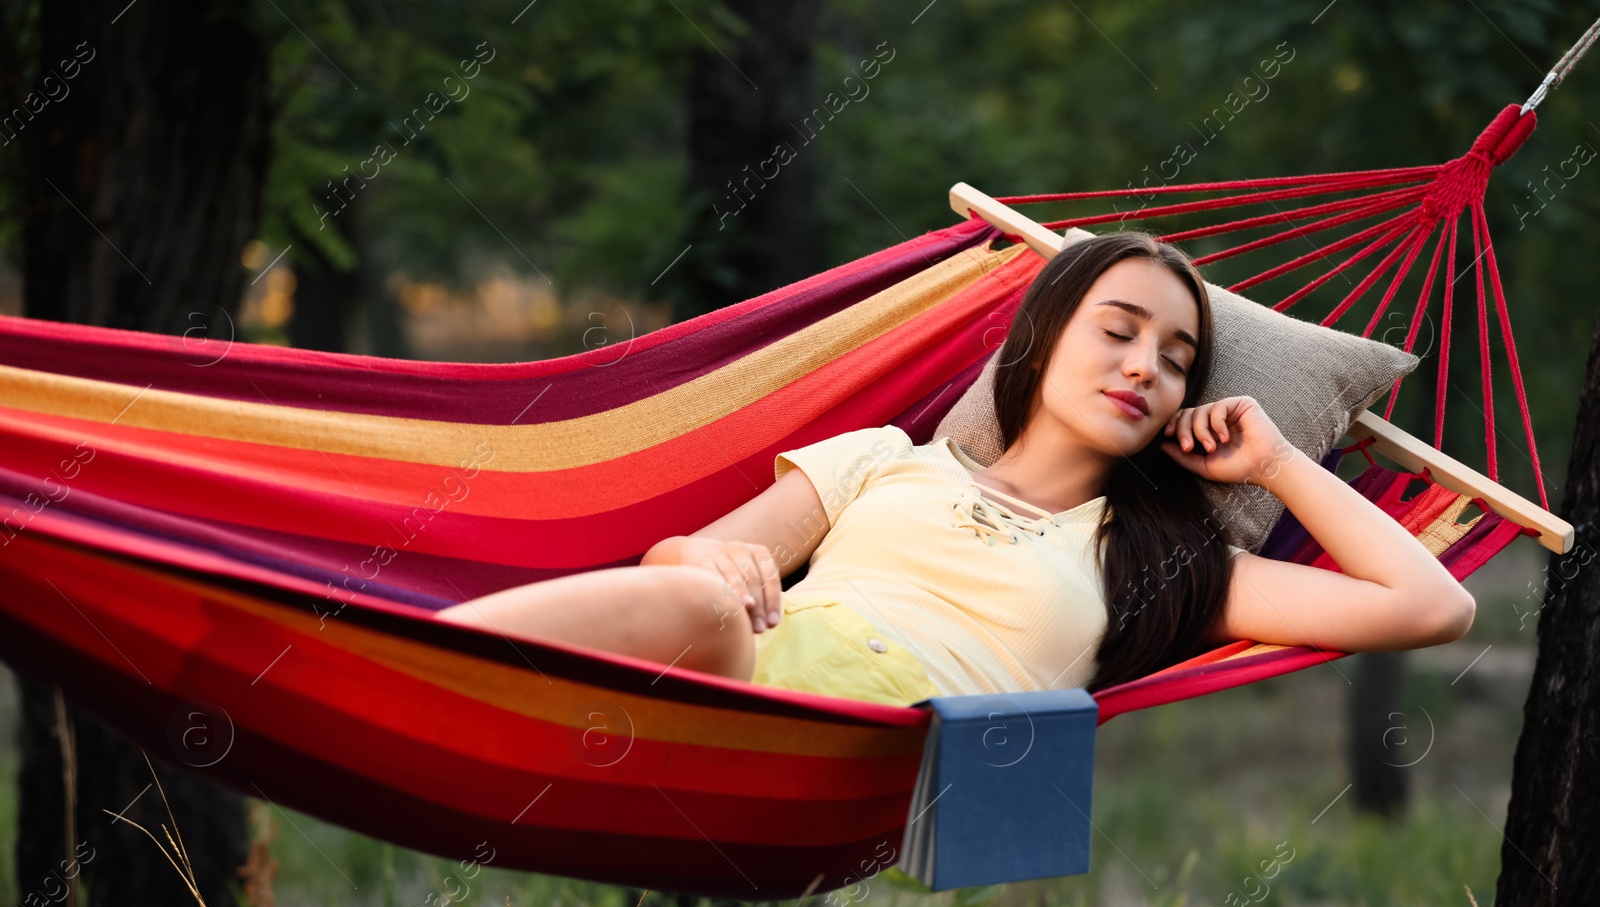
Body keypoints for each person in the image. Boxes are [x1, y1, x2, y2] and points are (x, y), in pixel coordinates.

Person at [435, 232, 1475, 705]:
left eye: (1174, 360)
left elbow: (1431, 606)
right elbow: (692, 559)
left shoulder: (1156, 562)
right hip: (734, 674)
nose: (1143, 368)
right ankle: (394, 672)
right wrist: (715, 569)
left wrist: (1279, 461)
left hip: (841, 755)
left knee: (697, 612)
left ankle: (405, 666)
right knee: (699, 606)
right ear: (1040, 337)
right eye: (1117, 331)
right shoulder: (884, 461)